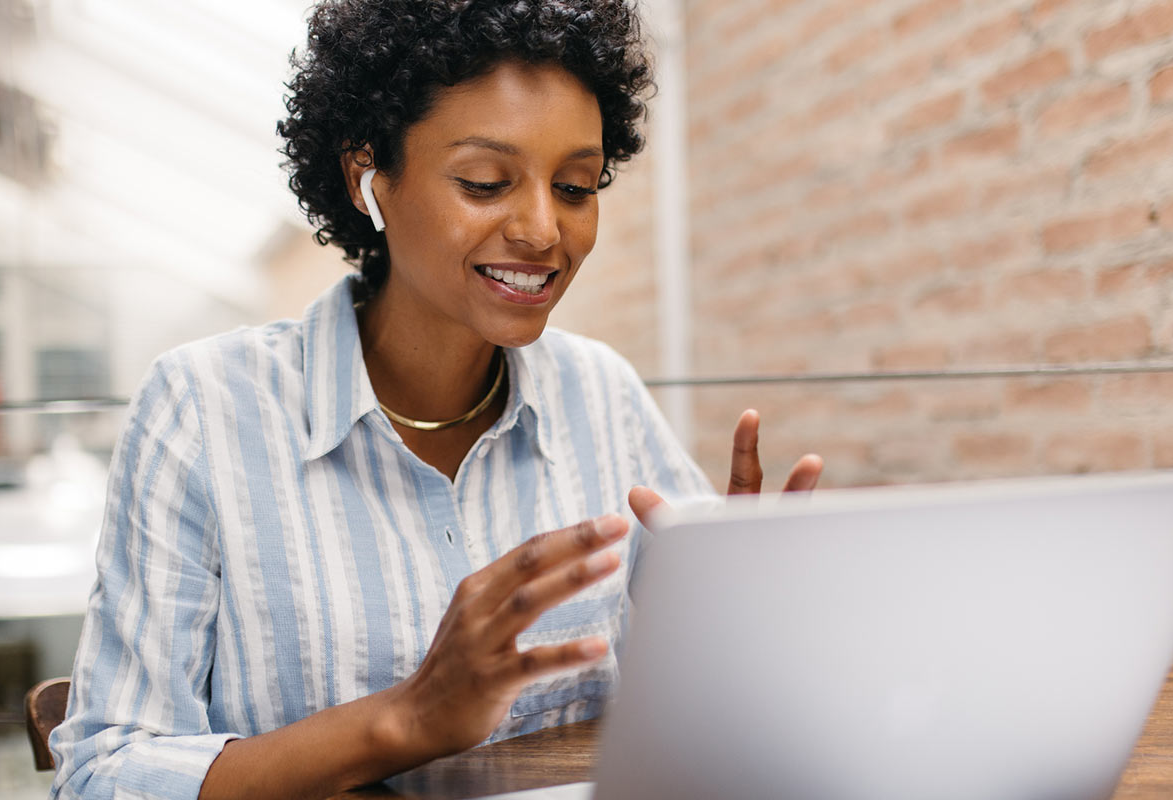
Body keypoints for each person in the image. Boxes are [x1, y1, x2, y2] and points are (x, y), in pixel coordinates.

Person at [48, 2, 822, 799]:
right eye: (485, 182)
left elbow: (703, 698)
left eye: (576, 186)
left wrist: (748, 611)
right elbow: (105, 773)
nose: (541, 229)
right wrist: (407, 719)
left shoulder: (601, 392)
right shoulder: (205, 409)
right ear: (368, 178)